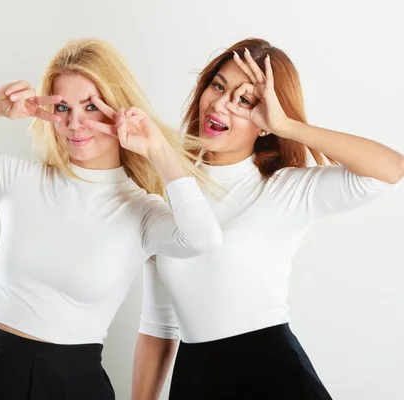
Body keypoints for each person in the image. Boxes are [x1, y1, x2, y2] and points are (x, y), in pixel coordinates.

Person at [0, 38, 223, 400]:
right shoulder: (18, 179)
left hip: (73, 385)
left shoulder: (140, 211)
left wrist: (156, 149)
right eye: (62, 107)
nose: (75, 123)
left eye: (91, 106)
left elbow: (202, 239)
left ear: (120, 108)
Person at [132, 38, 404, 400]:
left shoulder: (283, 189)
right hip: (194, 377)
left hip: (270, 374)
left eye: (244, 100)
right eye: (219, 86)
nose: (222, 104)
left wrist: (288, 126)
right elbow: (158, 323)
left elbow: (389, 170)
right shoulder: (171, 191)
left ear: (265, 122)